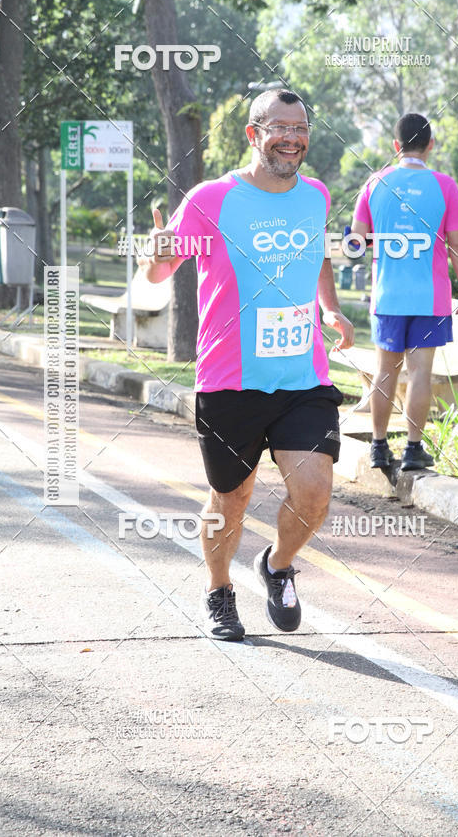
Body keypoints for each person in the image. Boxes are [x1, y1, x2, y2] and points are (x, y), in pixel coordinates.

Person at [141, 89, 354, 641]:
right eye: (279, 127)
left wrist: (329, 309)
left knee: (314, 491)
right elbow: (161, 273)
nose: (292, 136)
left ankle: (278, 565)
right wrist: (157, 252)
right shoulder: (212, 198)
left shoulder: (317, 196)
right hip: (230, 380)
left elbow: (320, 254)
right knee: (230, 498)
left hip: (303, 378)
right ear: (253, 134)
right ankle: (219, 590)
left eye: (300, 127)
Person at [351, 113, 458, 471]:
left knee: (385, 371)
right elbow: (457, 244)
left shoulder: (374, 183)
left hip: (387, 295)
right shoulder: (445, 186)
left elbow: (356, 242)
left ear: (395, 146)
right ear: (431, 145)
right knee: (421, 373)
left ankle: (377, 447)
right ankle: (413, 450)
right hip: (430, 297)